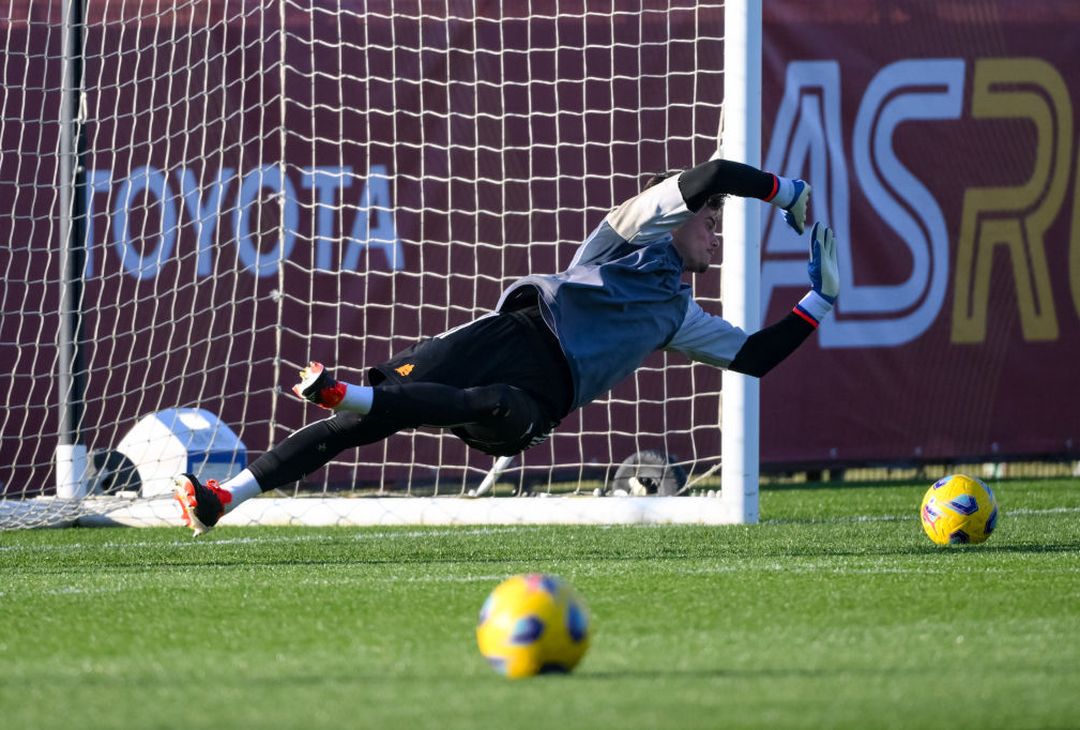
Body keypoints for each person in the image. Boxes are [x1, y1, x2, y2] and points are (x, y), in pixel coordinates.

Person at [174, 157, 839, 536]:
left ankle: (348, 390)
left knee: (477, 402)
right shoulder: (624, 239)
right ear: (680, 222)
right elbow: (714, 172)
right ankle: (222, 499)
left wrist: (821, 301)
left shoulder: (676, 317)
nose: (717, 239)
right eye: (712, 223)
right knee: (355, 422)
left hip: (535, 399)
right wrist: (788, 194)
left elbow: (754, 357)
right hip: (505, 333)